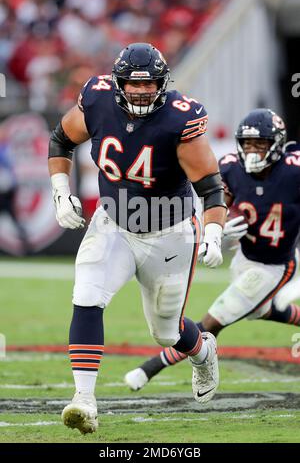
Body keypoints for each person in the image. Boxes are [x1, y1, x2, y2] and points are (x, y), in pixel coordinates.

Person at [48, 43, 227, 434]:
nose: (143, 91)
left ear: (163, 84)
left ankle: (203, 351)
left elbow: (211, 187)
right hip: (113, 223)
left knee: (166, 331)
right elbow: (61, 139)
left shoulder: (180, 117)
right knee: (87, 295)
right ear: (119, 82)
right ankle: (84, 399)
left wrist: (213, 230)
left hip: (170, 233)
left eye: (150, 85)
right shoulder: (96, 98)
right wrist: (61, 191)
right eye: (134, 83)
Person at [125, 108, 300, 392]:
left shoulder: (293, 171)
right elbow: (220, 202)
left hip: (276, 265)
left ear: (277, 144)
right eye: (247, 144)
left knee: (214, 319)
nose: (252, 151)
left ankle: (149, 369)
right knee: (261, 310)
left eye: (260, 144)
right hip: (246, 257)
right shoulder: (231, 167)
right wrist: (222, 224)